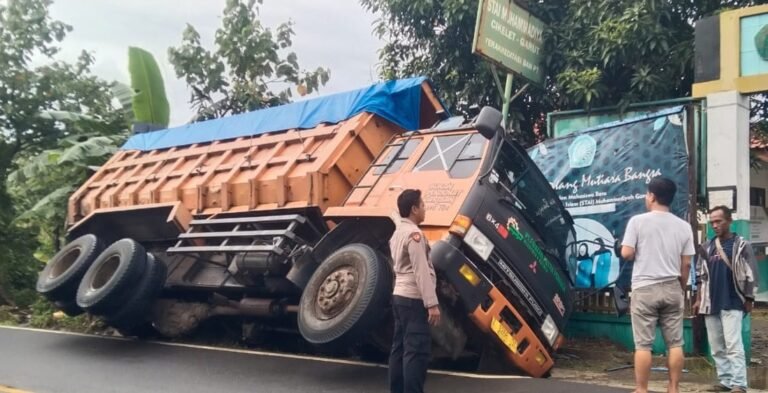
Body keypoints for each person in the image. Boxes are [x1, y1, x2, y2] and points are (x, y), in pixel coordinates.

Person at [620, 177, 695, 393]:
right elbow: (687, 263)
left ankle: (642, 389)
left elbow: (626, 253)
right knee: (675, 343)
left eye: (647, 194)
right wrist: (680, 286)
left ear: (652, 196)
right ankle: (673, 388)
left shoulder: (638, 222)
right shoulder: (683, 227)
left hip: (645, 288)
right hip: (672, 287)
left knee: (643, 344)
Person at [693, 206, 758, 393]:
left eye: (719, 221)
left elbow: (751, 273)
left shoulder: (742, 245)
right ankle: (726, 381)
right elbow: (700, 275)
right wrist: (698, 299)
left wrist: (749, 297)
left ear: (729, 220)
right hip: (710, 303)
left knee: (733, 345)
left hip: (733, 301)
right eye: (712, 222)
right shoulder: (706, 247)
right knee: (717, 347)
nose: (715, 225)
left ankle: (739, 384)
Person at [388, 189, 440, 393]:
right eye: (423, 205)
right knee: (416, 352)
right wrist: (432, 303)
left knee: (399, 350)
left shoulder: (397, 232)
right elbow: (421, 271)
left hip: (399, 297)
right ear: (414, 209)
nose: (425, 209)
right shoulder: (414, 235)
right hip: (414, 300)